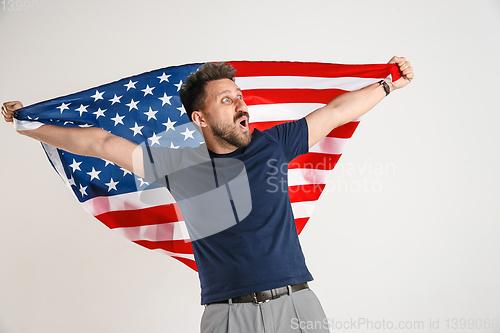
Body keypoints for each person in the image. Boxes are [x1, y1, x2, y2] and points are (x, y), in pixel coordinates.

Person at [2, 56, 413, 332]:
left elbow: (337, 111)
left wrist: (388, 83)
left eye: (240, 96)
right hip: (227, 318)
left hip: (297, 310)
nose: (241, 104)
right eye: (227, 99)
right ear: (200, 118)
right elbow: (100, 143)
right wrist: (27, 125)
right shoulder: (179, 166)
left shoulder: (273, 144)